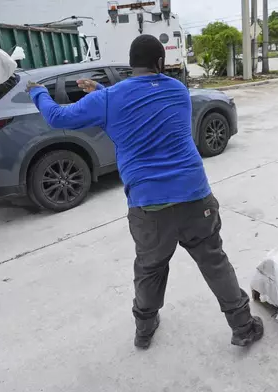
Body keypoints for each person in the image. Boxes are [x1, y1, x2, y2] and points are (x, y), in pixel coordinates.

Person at [28, 35, 263, 349]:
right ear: (160, 63)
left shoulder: (111, 100)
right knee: (214, 262)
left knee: (150, 269)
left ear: (131, 63)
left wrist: (38, 92)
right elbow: (146, 103)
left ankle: (144, 330)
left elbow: (57, 116)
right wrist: (102, 92)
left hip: (149, 207)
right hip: (195, 198)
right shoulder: (178, 91)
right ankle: (243, 326)